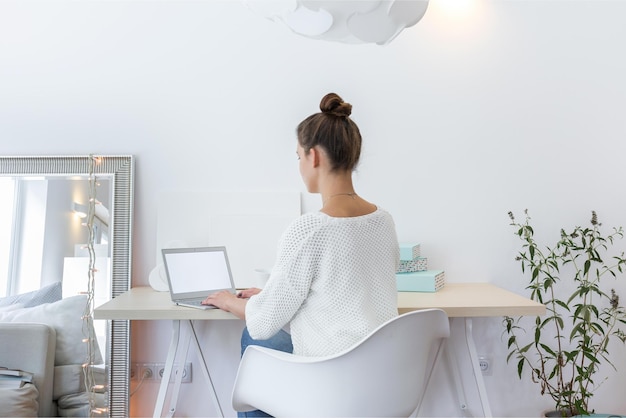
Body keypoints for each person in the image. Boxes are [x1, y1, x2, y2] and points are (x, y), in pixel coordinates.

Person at [203, 92, 400, 415]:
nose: (299, 165)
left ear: (314, 157)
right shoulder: (383, 221)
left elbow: (263, 323)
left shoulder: (310, 229)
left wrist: (228, 300)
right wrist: (271, 294)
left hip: (330, 379)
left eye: (298, 157)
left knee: (254, 341)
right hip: (378, 378)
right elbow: (342, 295)